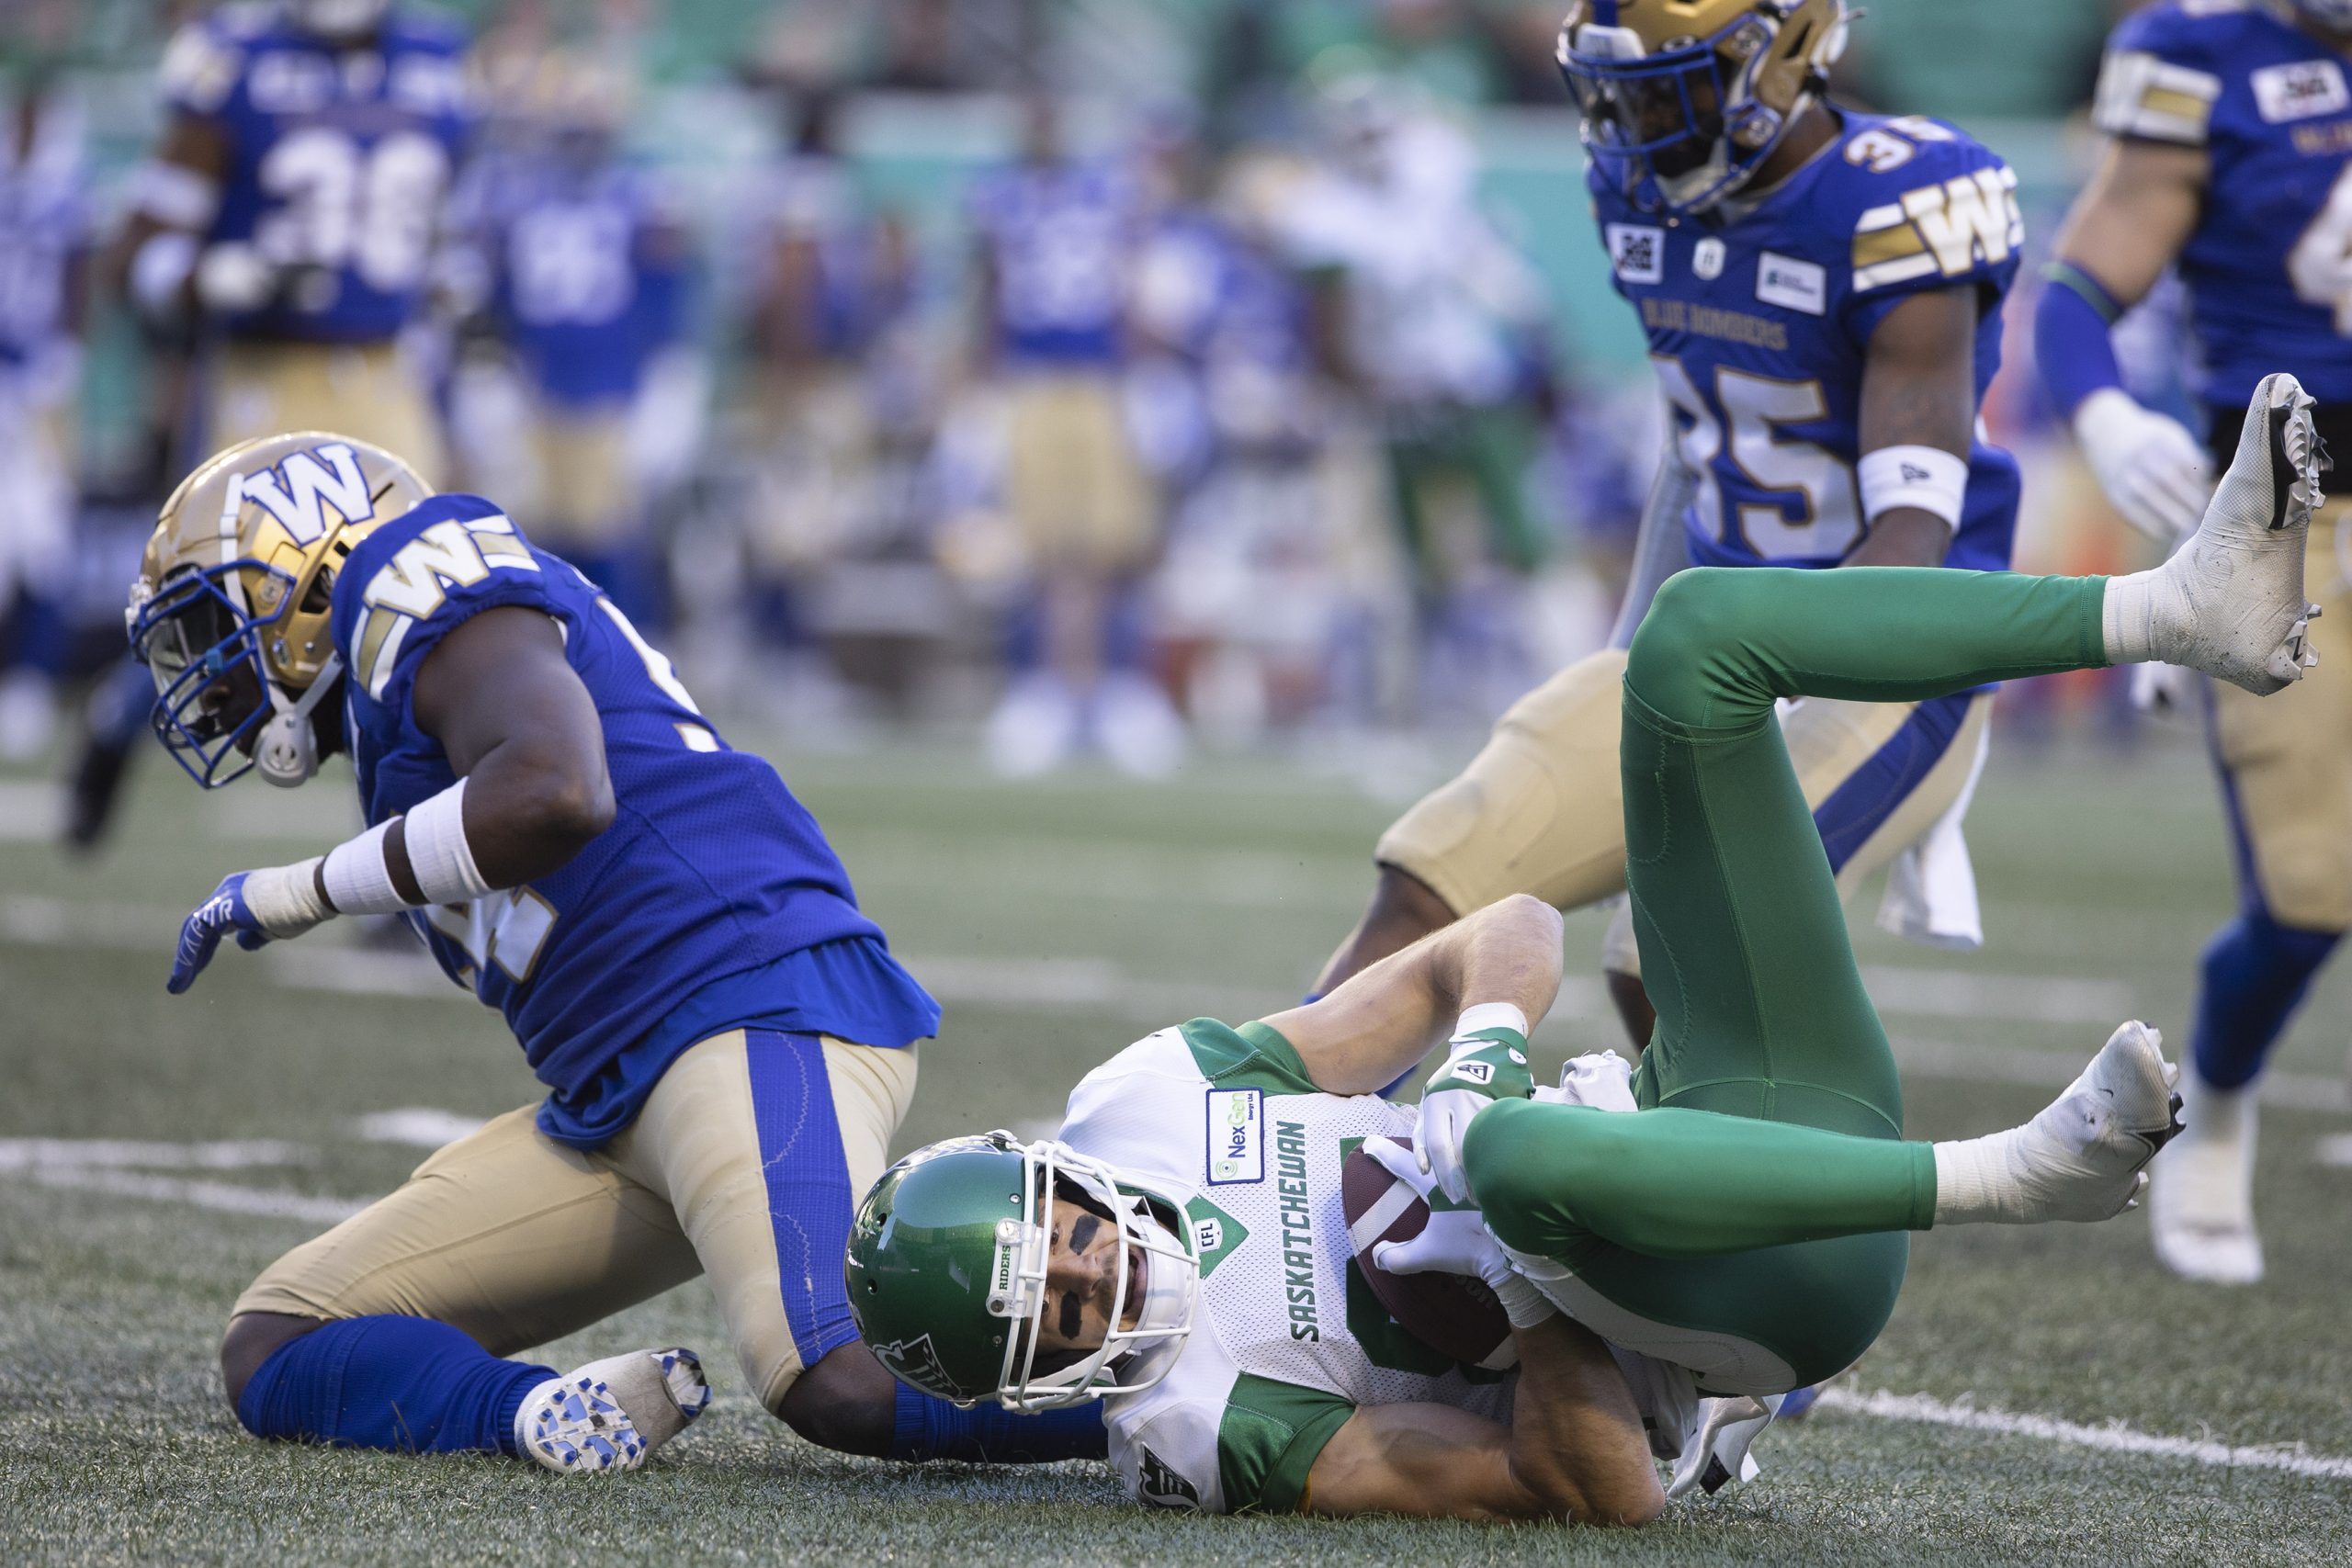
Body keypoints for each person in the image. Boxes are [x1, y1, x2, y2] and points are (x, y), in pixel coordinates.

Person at [841, 372, 2323, 1520]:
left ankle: (2174, 606)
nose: (1115, 1276)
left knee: (1696, 645)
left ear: (1062, 1176)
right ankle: (2017, 1175)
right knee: (1516, 1169)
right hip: (1767, 1291)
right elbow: (1590, 1492)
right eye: (1075, 1310)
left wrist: (1478, 1071)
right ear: (1034, 1377)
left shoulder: (1142, 1104)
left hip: (1725, 1103)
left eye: (1080, 1241)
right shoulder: (1208, 1422)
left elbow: (1502, 932)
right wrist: (1523, 1261)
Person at [127, 432, 1104, 1472]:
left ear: (306, 575)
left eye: (212, 622)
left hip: (746, 1005)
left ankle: (1196, 1406)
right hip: (618, 1101)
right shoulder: (387, 688)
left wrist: (298, 890)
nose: (209, 672)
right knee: (281, 1342)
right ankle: (544, 1416)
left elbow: (557, 790)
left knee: (840, 1378)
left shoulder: (415, 572)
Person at [1313, 0, 2027, 1049]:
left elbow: (1909, 536)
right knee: (1436, 873)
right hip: (1708, 632)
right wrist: (1628, 661)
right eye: (1618, 92)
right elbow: (1693, 450)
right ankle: (1267, 1156)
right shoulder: (1639, 189)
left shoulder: (1897, 199)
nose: (1633, 122)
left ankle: (1748, 1195)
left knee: (1668, 947)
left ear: (1778, 60)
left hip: (1885, 650)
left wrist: (1744, 718)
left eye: (1665, 88)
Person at [2034, 0, 2352, 1285]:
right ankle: (2217, 1096)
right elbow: (2079, 286)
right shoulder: (2208, 53)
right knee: (2312, 883)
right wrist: (2104, 413)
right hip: (2302, 506)